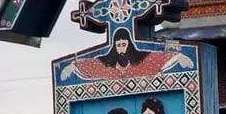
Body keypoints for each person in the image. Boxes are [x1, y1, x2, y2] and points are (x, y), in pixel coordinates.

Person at [59, 28, 194, 81]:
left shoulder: (142, 63)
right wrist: (72, 66)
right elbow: (91, 65)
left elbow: (157, 59)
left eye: (124, 45)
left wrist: (178, 56)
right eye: (118, 46)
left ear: (129, 45)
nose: (121, 49)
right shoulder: (107, 66)